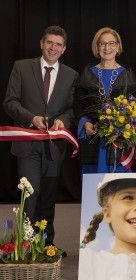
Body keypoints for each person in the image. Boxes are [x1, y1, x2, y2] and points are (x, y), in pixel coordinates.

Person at [3, 25, 78, 255]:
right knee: (31, 196)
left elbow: (72, 109)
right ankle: (25, 246)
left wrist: (62, 120)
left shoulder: (71, 75)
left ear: (63, 49)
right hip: (28, 145)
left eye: (58, 44)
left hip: (54, 147)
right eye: (49, 43)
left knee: (48, 198)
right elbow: (10, 101)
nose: (53, 48)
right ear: (41, 44)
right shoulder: (22, 67)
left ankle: (46, 245)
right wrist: (30, 118)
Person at [73, 27, 136, 174]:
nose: (107, 47)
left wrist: (125, 128)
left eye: (111, 43)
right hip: (93, 139)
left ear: (118, 46)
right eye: (102, 44)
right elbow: (78, 106)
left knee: (121, 190)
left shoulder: (127, 74)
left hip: (120, 142)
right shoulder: (87, 74)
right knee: (94, 187)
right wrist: (86, 123)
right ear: (97, 47)